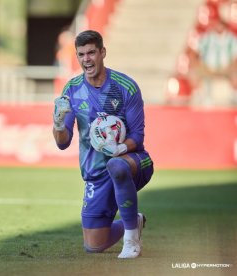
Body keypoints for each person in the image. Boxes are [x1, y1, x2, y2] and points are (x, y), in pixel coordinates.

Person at [52, 30, 154, 258]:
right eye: (81, 54)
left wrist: (118, 149)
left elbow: (137, 137)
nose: (86, 59)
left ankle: (131, 241)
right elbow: (62, 143)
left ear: (102, 53)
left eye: (91, 53)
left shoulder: (126, 87)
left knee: (116, 166)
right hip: (95, 174)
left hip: (133, 161)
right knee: (94, 245)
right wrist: (58, 124)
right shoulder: (72, 90)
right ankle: (134, 220)